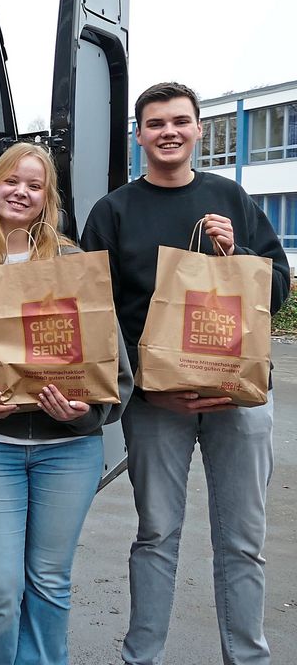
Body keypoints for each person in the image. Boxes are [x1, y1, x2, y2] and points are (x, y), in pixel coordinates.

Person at [81, 82, 290, 665]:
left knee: (243, 543)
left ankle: (247, 658)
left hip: (239, 399)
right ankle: (140, 657)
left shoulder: (231, 198)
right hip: (157, 406)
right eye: (155, 123)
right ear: (139, 135)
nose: (168, 132)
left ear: (199, 129)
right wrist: (150, 389)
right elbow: (95, 313)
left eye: (179, 121)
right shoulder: (114, 211)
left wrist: (237, 255)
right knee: (156, 536)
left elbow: (275, 292)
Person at [0, 142, 131, 664]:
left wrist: (87, 412)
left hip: (68, 450)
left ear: (48, 198)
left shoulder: (74, 265)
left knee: (49, 581)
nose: (21, 192)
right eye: (11, 181)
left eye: (34, 184)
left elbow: (116, 370)